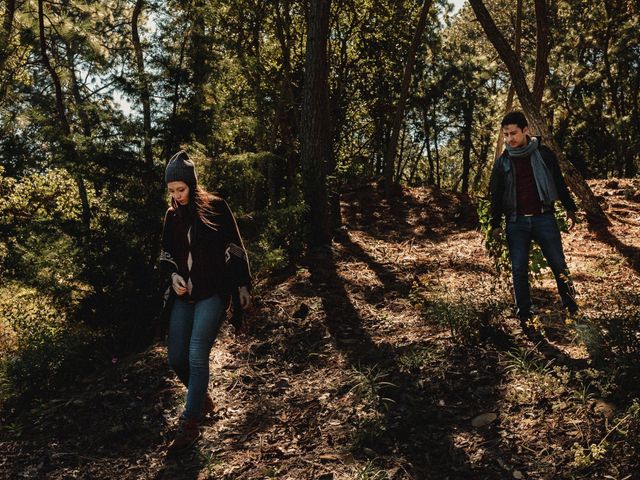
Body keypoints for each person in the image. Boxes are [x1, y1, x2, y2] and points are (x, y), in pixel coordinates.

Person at [159, 150, 251, 453]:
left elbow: (235, 246)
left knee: (197, 354)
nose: (177, 196)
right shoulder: (172, 217)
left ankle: (190, 423)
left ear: (192, 184)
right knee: (176, 359)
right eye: (172, 191)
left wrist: (241, 285)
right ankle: (201, 399)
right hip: (184, 297)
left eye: (181, 189)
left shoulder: (216, 207)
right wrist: (174, 277)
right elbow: (167, 256)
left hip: (212, 294)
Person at [489, 111, 579, 333]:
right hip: (516, 222)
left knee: (559, 265)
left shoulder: (544, 154)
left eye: (514, 133)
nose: (510, 139)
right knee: (518, 269)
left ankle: (573, 309)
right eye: (506, 135)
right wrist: (495, 224)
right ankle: (526, 318)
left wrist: (569, 207)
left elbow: (558, 181)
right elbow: (496, 195)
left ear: (526, 130)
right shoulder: (503, 162)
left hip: (544, 218)